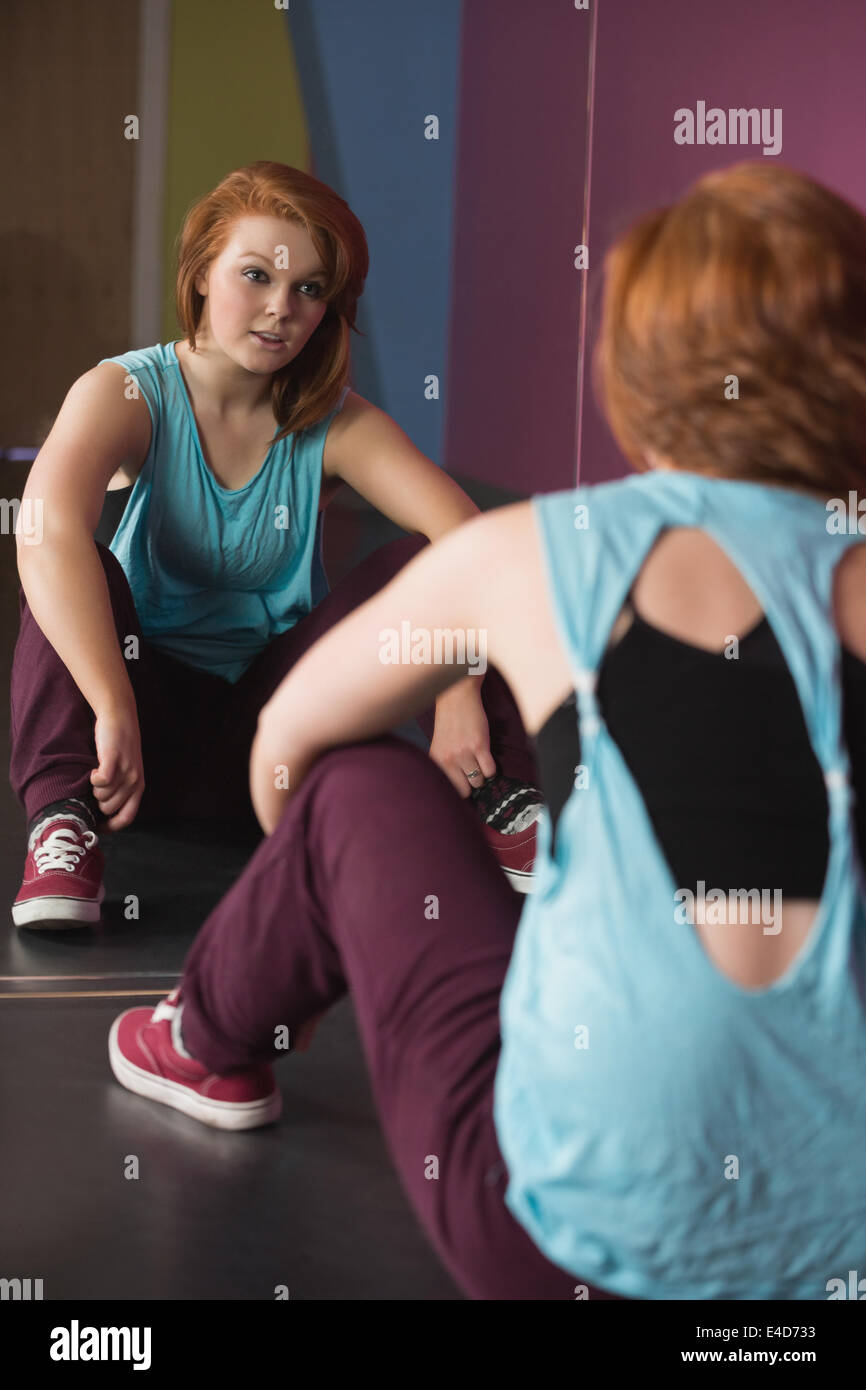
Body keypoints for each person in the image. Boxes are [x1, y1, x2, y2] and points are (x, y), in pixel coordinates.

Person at [108, 161, 866, 1301]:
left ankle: (208, 1038)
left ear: (636, 366)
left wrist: (320, 921)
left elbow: (289, 752)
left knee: (355, 786)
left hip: (553, 1244)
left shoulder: (537, 549)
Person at [10, 161, 544, 929]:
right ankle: (63, 830)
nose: (280, 310)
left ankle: (501, 798)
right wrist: (111, 705)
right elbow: (46, 527)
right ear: (199, 276)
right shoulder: (128, 392)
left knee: (426, 562)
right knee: (67, 562)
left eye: (309, 289)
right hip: (129, 746)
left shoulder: (335, 420)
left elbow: (470, 537)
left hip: (276, 744)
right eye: (255, 275)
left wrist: (454, 687)